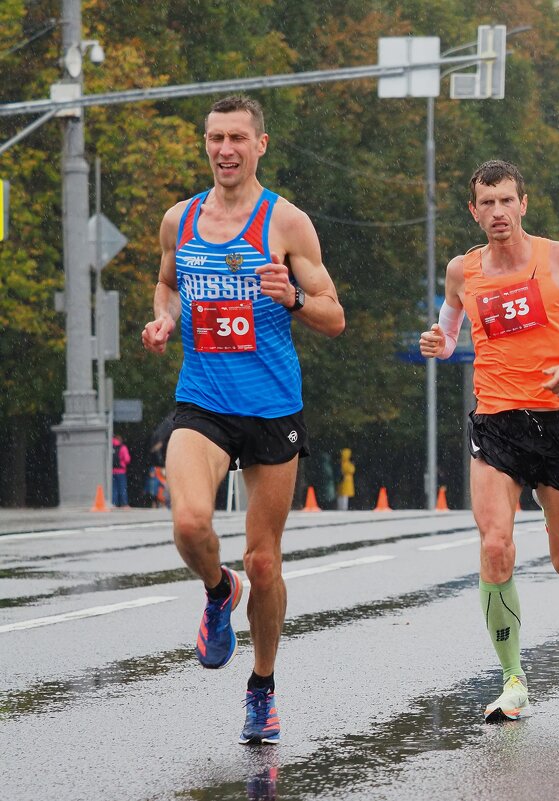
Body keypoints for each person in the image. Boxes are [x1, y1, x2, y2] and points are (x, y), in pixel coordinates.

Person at [141, 95, 344, 744]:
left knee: (264, 562)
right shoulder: (180, 219)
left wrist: (296, 297)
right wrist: (164, 319)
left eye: (236, 138)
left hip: (271, 408)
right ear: (206, 144)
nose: (225, 150)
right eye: (215, 138)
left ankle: (261, 686)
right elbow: (168, 283)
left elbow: (334, 314)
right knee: (189, 522)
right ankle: (215, 588)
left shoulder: (286, 223)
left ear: (260, 145)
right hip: (202, 400)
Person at [419, 160, 559, 722]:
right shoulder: (462, 270)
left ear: (523, 204)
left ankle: (550, 506)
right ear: (474, 211)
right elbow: (449, 332)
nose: (497, 212)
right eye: (487, 203)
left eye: (506, 201)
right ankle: (513, 678)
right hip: (496, 421)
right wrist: (439, 343)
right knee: (495, 546)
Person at [111, 434, 131, 509]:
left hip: (112, 471)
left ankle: (113, 504)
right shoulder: (123, 447)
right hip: (121, 471)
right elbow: (127, 459)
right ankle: (124, 504)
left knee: (114, 489)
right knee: (122, 488)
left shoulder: (110, 446)